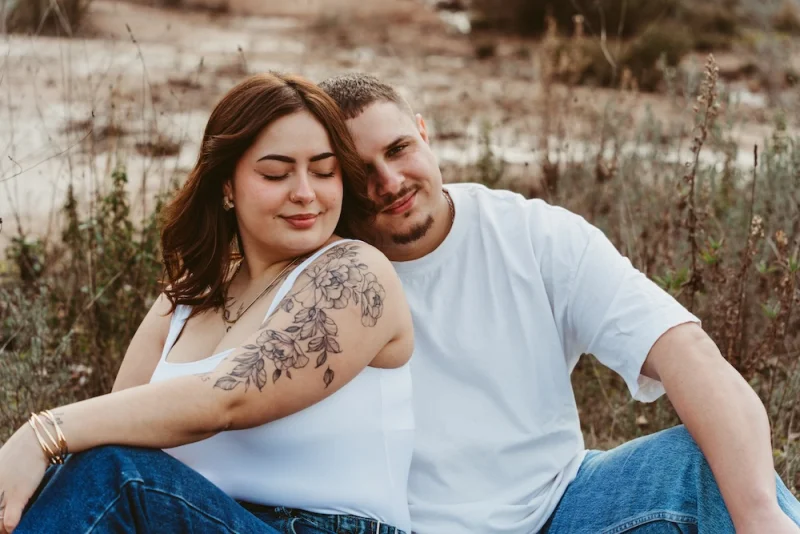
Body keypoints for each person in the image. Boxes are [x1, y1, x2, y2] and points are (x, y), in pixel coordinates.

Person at [315, 73, 800, 533]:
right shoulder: (320, 278)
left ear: (424, 133)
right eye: (361, 172)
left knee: (700, 467)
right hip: (412, 526)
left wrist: (760, 516)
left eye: (398, 149)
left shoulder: (532, 234)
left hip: (563, 508)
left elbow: (684, 350)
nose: (389, 182)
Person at [0, 73, 414, 534]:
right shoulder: (187, 297)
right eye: (275, 174)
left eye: (323, 171)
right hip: (198, 517)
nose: (304, 192)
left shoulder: (355, 272)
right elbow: (114, 424)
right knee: (83, 467)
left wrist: (42, 433)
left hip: (326, 526)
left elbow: (227, 398)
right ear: (227, 186)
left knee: (114, 473)